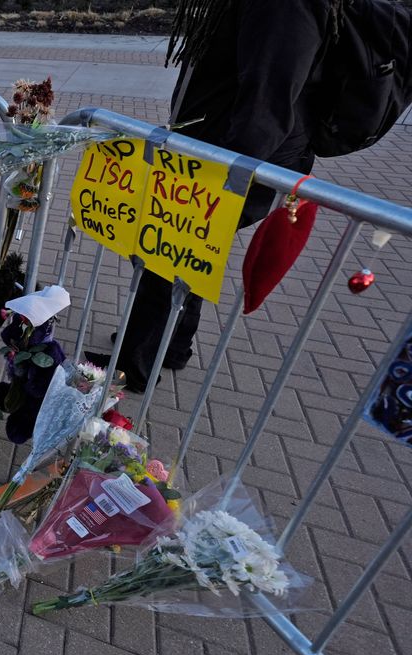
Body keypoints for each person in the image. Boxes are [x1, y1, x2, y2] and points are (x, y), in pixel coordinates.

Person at [85, 0, 349, 392]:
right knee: (186, 252)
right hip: (216, 152)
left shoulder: (284, 6)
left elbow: (269, 96)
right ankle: (171, 346)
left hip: (233, 161)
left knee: (167, 250)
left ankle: (135, 365)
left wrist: (226, 172)